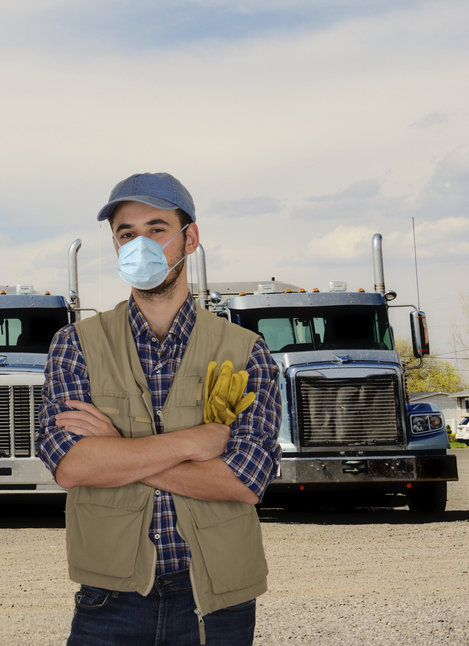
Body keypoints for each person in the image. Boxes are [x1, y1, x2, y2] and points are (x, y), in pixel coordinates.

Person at [36, 172, 280, 646]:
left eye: (156, 229)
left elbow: (244, 481)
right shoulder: (76, 344)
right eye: (126, 234)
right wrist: (192, 443)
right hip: (111, 598)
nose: (140, 244)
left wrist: (117, 451)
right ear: (115, 247)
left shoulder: (245, 350)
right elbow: (70, 465)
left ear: (189, 239)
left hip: (218, 598)